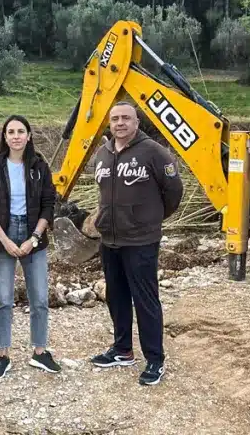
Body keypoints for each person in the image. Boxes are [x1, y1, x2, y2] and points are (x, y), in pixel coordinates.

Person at [88, 101, 183, 386]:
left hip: (141, 240)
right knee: (116, 296)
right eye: (115, 118)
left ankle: (155, 359)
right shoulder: (102, 154)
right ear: (110, 123)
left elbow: (173, 192)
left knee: (145, 300)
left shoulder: (154, 152)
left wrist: (149, 219)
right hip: (110, 239)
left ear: (136, 122)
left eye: (126, 118)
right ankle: (122, 350)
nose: (120, 123)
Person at [0, 115, 61, 378]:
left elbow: (49, 203)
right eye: (10, 131)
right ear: (4, 136)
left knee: (40, 298)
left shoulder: (39, 166)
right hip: (2, 233)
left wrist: (33, 238)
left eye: (20, 131)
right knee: (3, 298)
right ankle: (3, 354)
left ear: (29, 135)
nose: (15, 136)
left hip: (33, 233)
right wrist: (4, 240)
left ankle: (39, 351)